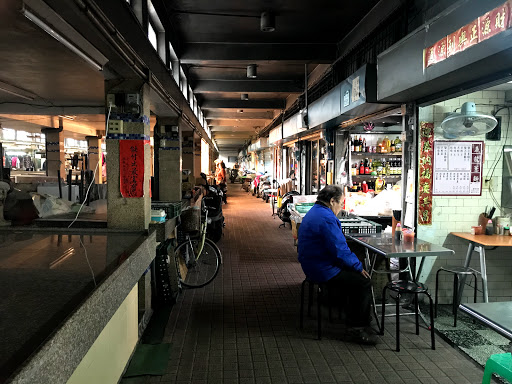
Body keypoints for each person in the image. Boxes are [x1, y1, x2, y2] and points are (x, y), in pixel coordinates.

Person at [297, 185, 377, 345]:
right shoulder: (326, 218)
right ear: (332, 201)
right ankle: (357, 328)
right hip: (322, 269)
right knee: (363, 281)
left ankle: (353, 318)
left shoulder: (315, 212)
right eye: (340, 203)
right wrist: (358, 266)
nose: (341, 208)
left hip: (313, 264)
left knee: (353, 277)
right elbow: (339, 249)